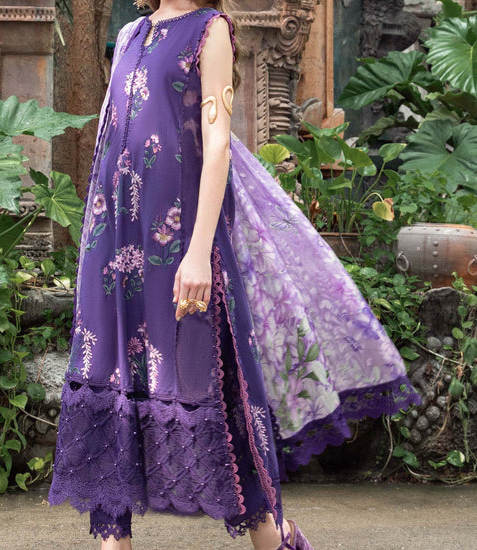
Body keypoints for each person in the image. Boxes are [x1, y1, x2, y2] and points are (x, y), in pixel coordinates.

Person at [47, 1, 422, 549]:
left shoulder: (211, 30)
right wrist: (94, 245)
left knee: (215, 388)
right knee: (108, 380)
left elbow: (217, 142)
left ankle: (275, 537)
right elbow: (111, 140)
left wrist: (198, 252)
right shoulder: (129, 34)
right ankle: (113, 542)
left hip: (180, 243)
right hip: (115, 245)